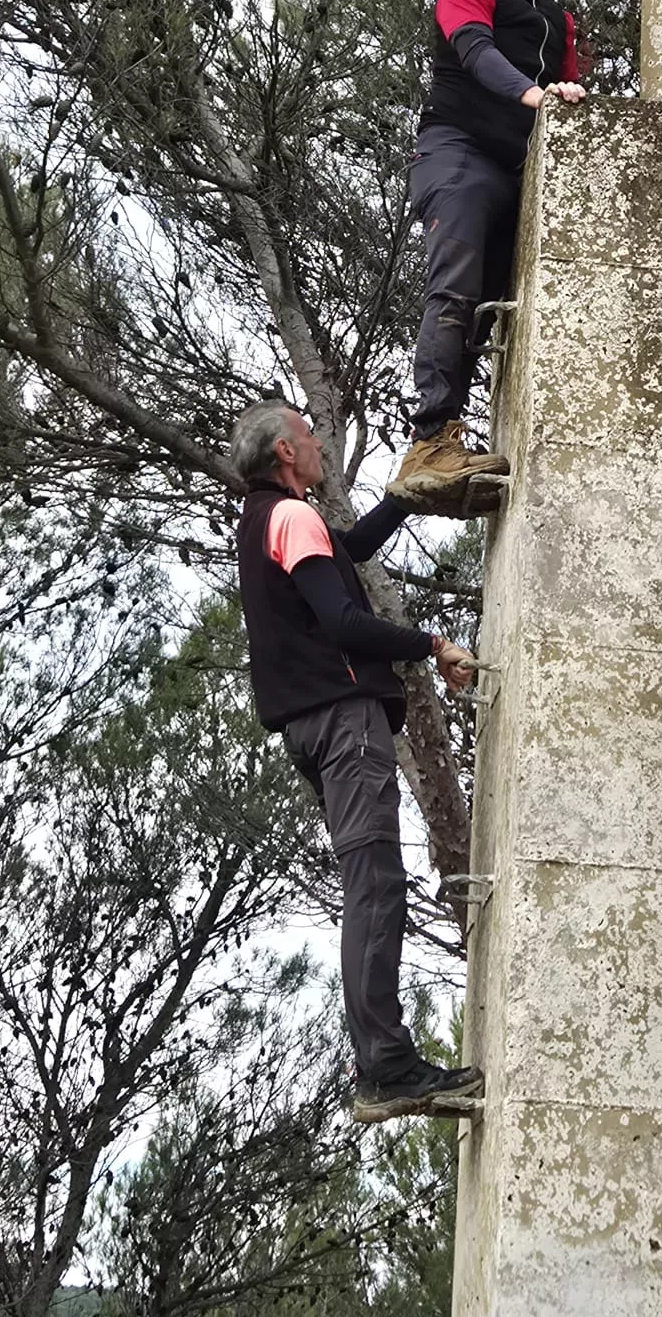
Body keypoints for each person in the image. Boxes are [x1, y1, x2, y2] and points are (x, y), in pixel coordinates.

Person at [230, 398, 485, 1124]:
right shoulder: (291, 516)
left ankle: (383, 1063)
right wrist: (431, 646)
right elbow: (343, 620)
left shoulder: (267, 521)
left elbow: (351, 552)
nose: (318, 445)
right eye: (309, 436)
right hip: (342, 721)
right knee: (375, 885)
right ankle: (387, 1068)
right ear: (285, 453)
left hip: (312, 726)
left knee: (370, 883)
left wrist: (401, 500)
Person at [389, 0, 587, 512]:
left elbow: (574, 86)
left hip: (519, 171)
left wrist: (572, 101)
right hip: (458, 152)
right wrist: (532, 95)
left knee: (495, 312)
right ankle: (431, 439)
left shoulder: (560, 21)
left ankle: (461, 455)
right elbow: (474, 50)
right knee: (456, 285)